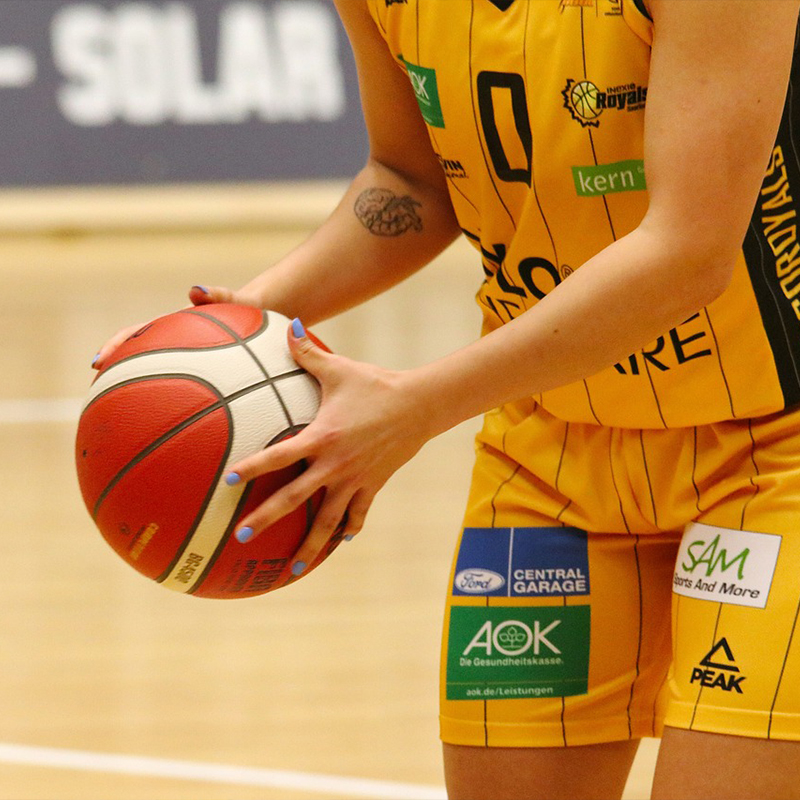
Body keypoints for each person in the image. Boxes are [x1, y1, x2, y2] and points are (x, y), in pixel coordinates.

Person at [95, 0, 800, 797]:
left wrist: (418, 405)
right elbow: (410, 180)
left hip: (774, 452)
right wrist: (237, 327)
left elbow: (687, 250)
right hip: (553, 451)